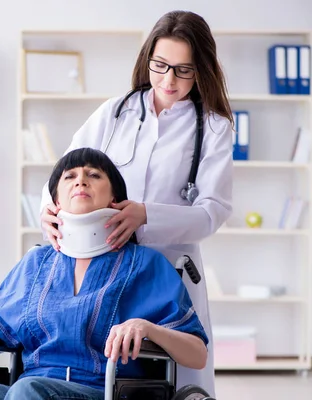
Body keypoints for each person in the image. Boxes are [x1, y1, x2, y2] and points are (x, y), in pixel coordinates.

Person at [39, 11, 233, 397]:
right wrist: (48, 211)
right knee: (96, 367)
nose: (168, 80)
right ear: (147, 59)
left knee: (167, 375)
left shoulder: (213, 127)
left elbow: (213, 212)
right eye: (159, 66)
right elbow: (66, 171)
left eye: (183, 70)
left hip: (164, 270)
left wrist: (147, 215)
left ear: (202, 71)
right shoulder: (115, 111)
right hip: (101, 262)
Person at [0, 148, 209, 400]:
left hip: (105, 391)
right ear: (55, 203)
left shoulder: (145, 264)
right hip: (28, 389)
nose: (81, 180)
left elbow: (197, 355)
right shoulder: (37, 263)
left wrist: (148, 328)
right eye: (70, 176)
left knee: (29, 391)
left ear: (114, 198)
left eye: (94, 174)